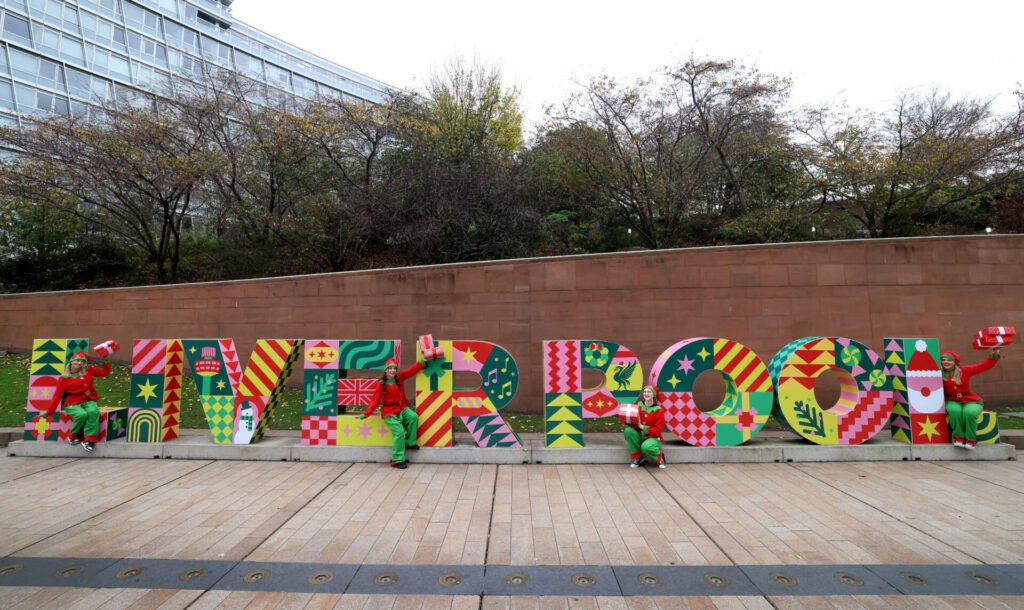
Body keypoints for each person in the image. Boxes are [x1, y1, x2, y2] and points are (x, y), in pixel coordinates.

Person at [362, 357, 427, 469]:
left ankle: (410, 443)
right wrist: (366, 413)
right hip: (390, 411)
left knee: (413, 417)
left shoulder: (400, 377)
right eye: (390, 368)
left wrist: (422, 362)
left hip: (402, 407)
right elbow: (375, 400)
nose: (392, 370)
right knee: (399, 432)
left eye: (394, 368)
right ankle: (396, 460)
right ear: (386, 370)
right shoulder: (381, 384)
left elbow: (411, 371)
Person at [44, 351, 111, 452]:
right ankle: (72, 437)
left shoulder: (88, 370)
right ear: (71, 361)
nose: (79, 363)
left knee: (93, 412)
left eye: (82, 361)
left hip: (88, 400)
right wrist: (49, 412)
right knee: (81, 414)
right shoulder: (64, 379)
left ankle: (90, 440)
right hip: (72, 402)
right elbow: (57, 396)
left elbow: (105, 373)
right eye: (77, 360)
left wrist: (105, 358)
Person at [941, 347, 1001, 449]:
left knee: (969, 413)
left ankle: (970, 439)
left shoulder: (964, 370)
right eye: (943, 360)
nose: (946, 362)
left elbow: (984, 366)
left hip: (970, 400)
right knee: (954, 411)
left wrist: (995, 354)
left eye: (949, 360)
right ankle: (958, 438)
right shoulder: (938, 373)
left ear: (955, 362)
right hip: (951, 400)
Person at [624, 384, 666, 469]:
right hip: (640, 435)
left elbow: (657, 431)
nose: (646, 394)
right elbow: (633, 422)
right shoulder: (638, 405)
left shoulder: (659, 410)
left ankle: (660, 457)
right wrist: (627, 418)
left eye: (649, 392)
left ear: (653, 395)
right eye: (645, 392)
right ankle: (639, 457)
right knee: (628, 431)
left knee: (646, 447)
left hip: (654, 437)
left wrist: (642, 426)